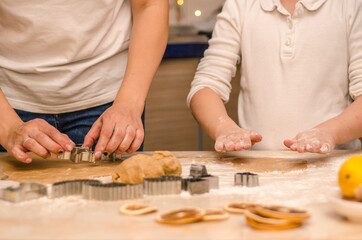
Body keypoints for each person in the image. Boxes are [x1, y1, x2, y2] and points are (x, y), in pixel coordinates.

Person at [0, 0, 168, 163]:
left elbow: (150, 4)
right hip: (9, 105)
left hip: (109, 102)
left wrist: (129, 103)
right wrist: (9, 129)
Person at [187, 0, 362, 153]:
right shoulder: (241, 4)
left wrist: (329, 133)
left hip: (334, 166)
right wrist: (224, 128)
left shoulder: (351, 5)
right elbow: (206, 86)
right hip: (258, 167)